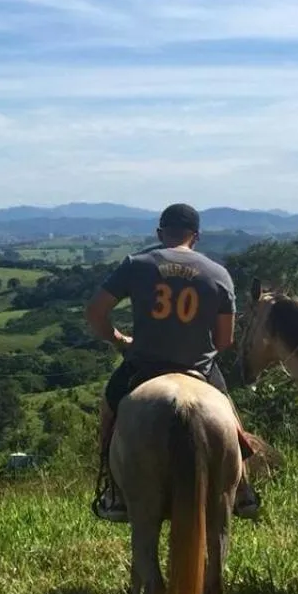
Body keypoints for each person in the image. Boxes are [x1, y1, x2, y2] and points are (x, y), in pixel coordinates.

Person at [85, 202, 260, 523]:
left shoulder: (136, 264)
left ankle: (114, 491)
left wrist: (119, 339)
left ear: (159, 232)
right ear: (197, 236)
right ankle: (244, 489)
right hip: (201, 368)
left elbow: (96, 312)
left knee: (110, 409)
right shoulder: (218, 273)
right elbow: (224, 340)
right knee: (230, 418)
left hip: (143, 366)